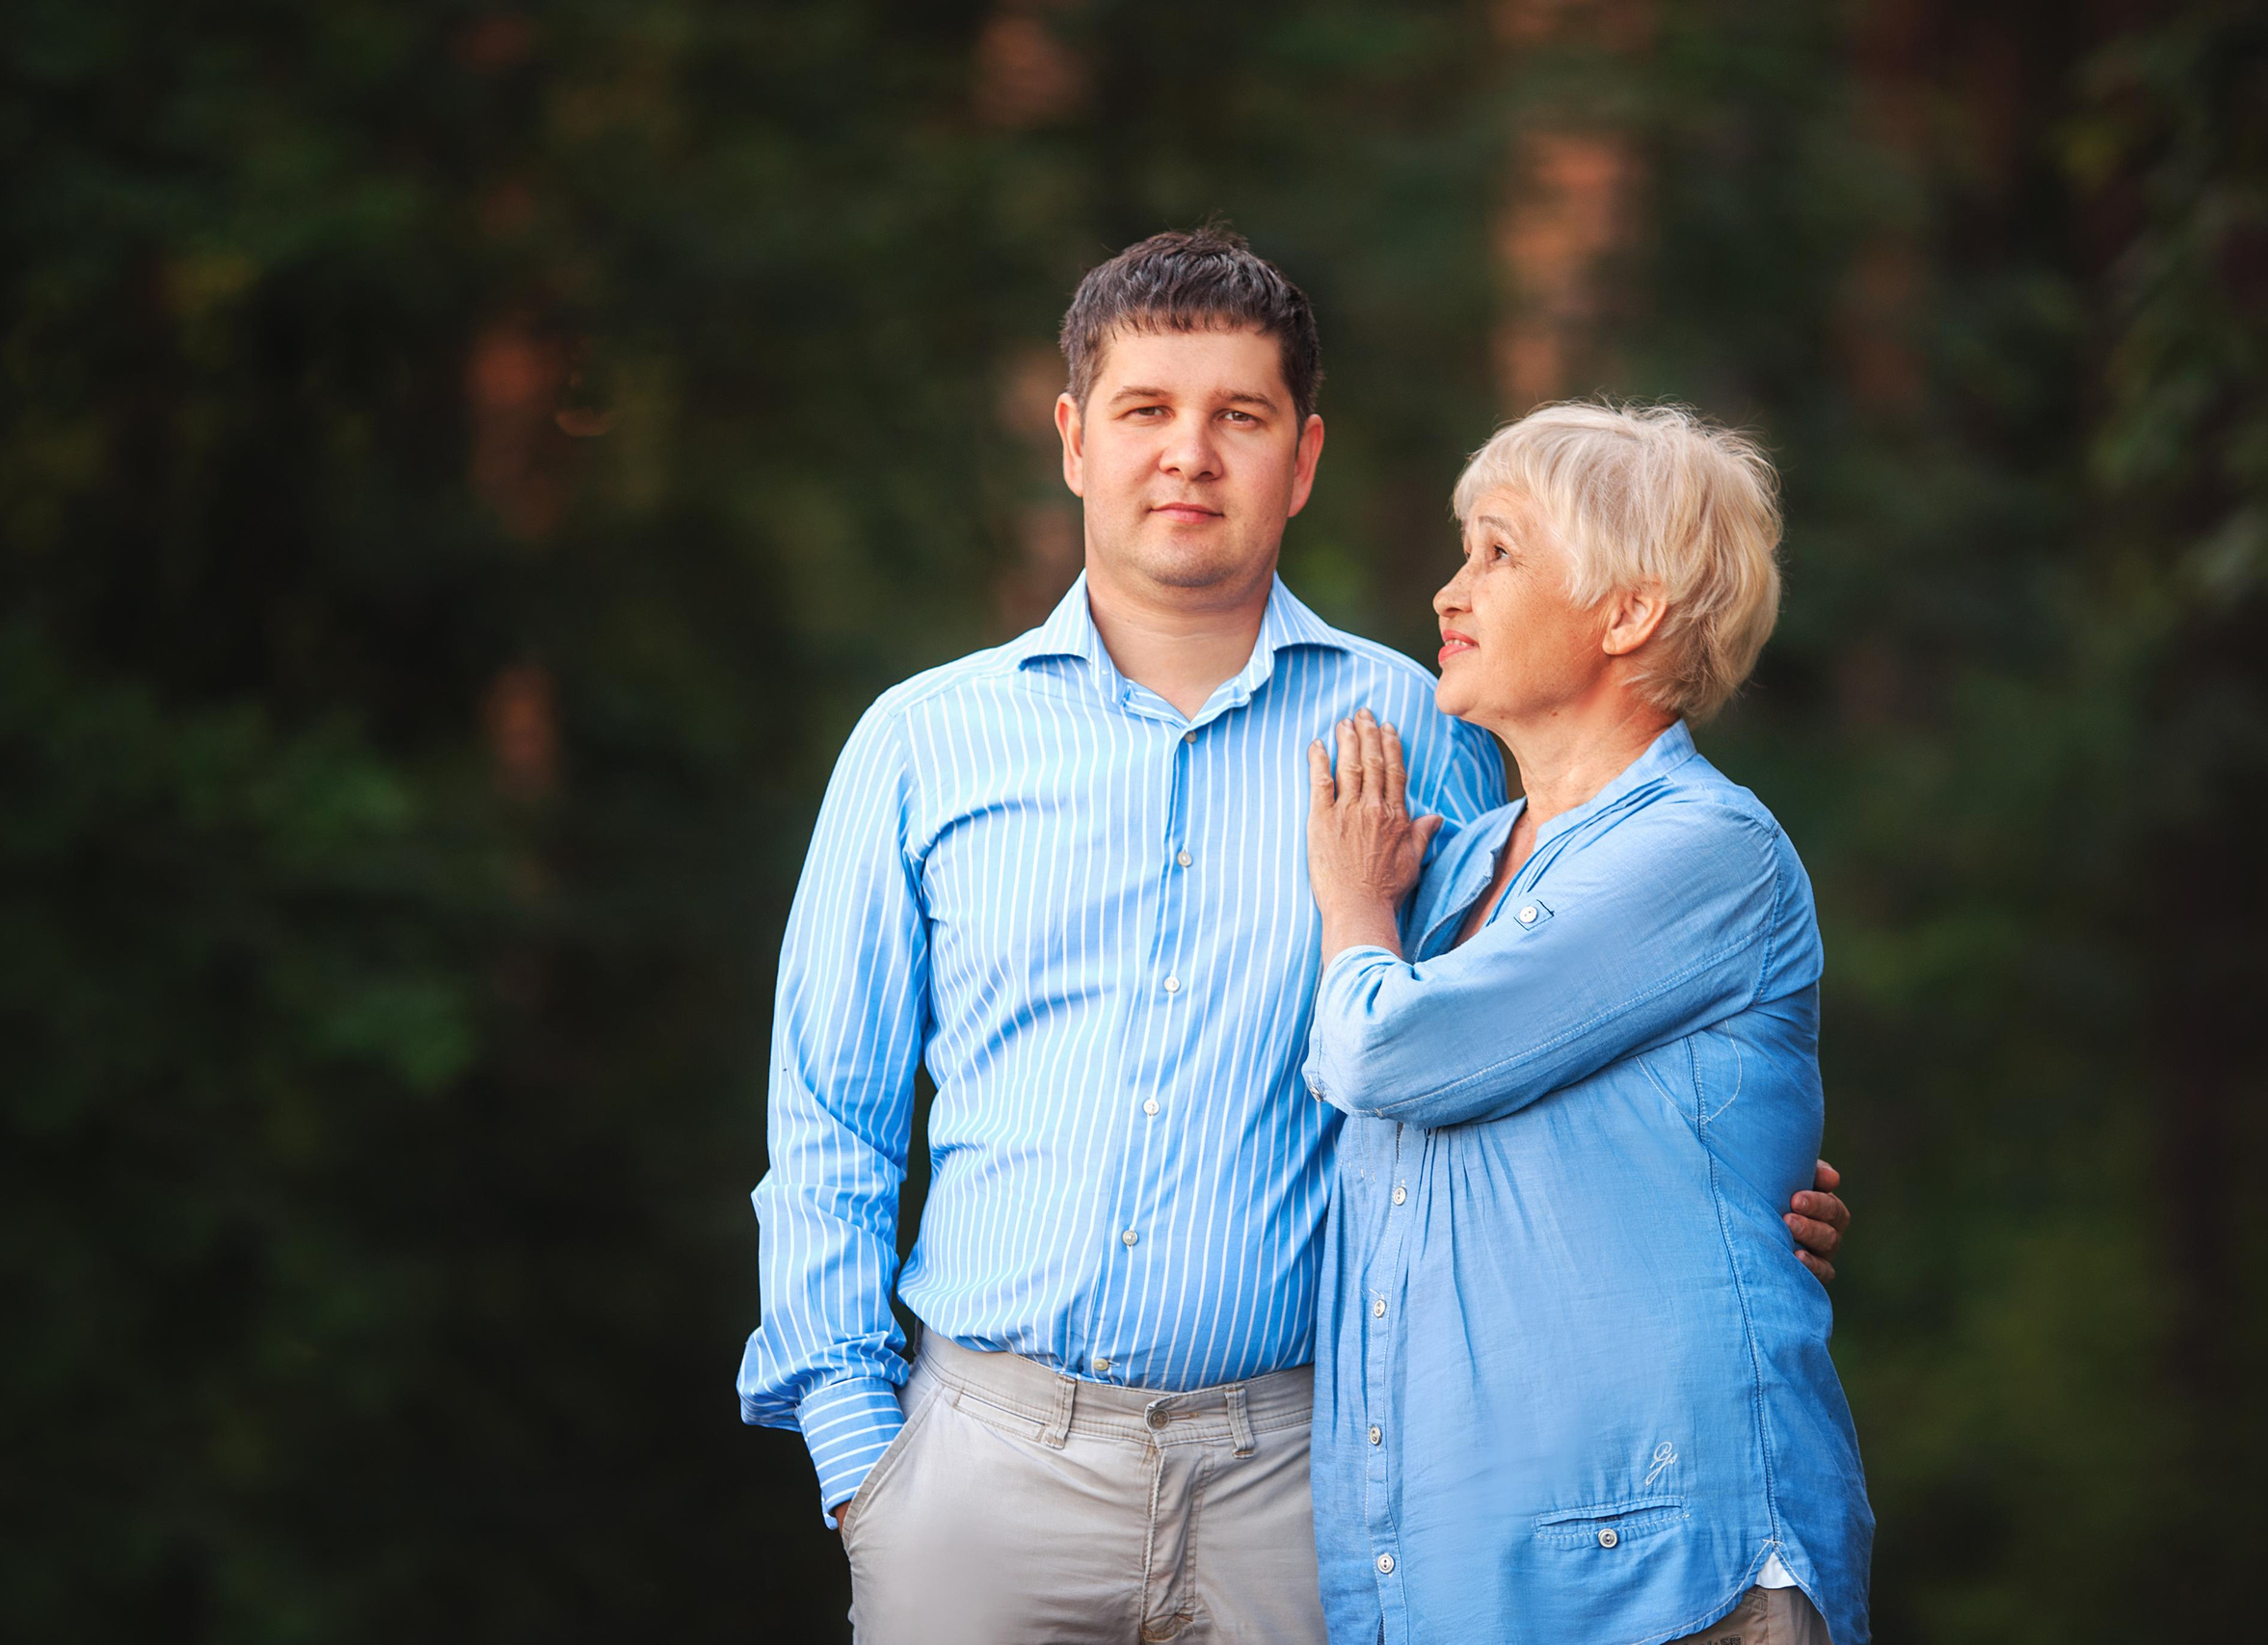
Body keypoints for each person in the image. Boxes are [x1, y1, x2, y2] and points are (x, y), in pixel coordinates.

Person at [738, 229, 1854, 1644]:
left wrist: (1742, 1201)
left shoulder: (1424, 739)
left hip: (1310, 1482)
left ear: (1302, 459)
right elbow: (828, 1121)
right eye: (1146, 411)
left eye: (1239, 418)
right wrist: (863, 1463)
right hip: (979, 1476)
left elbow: (1536, 1035)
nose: (1188, 455)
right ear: (1075, 440)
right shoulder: (920, 746)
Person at [1301, 402, 1875, 1645]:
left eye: (1499, 553)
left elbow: (1387, 1051)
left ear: (1629, 613)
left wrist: (1350, 906)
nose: (1451, 593)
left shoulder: (1704, 851)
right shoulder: (1452, 872)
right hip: (1458, 1584)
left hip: (1663, 1585)